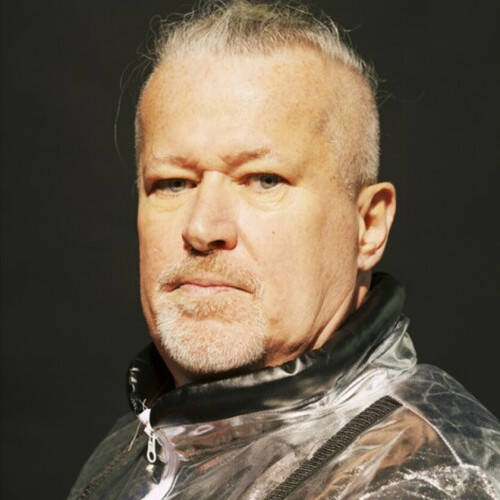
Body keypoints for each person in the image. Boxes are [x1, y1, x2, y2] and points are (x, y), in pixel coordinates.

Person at [68, 1, 500, 498]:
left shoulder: (424, 479)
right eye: (173, 183)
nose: (203, 227)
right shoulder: (135, 446)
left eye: (264, 180)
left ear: (368, 226)